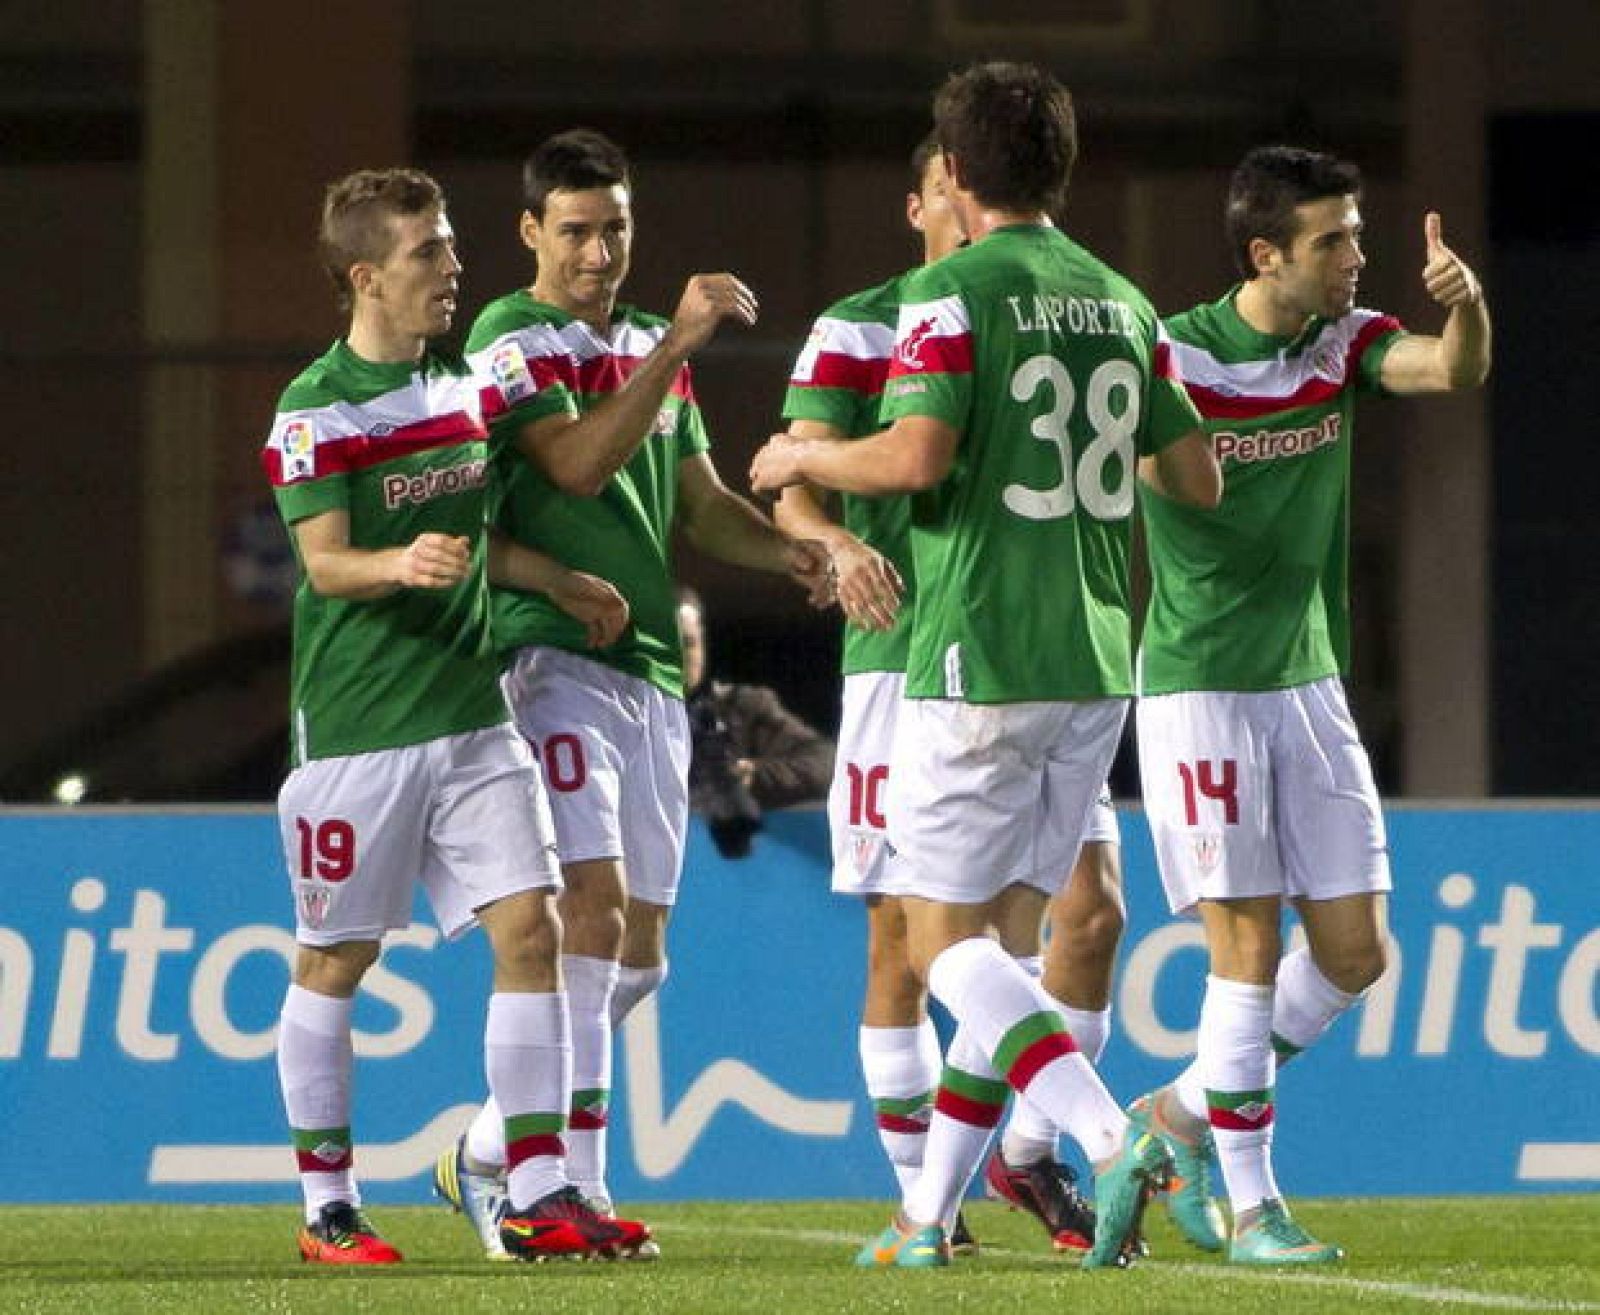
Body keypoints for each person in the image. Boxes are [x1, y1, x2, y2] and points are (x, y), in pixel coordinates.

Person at [751, 61, 1220, 1270]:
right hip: (1096, 653)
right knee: (1005, 946)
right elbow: (1194, 480)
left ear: (952, 173)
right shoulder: (1124, 299)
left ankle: (1109, 1134)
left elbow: (912, 458)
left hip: (977, 654)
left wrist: (796, 457)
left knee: (937, 943)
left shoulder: (953, 295)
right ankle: (924, 1220)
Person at [435, 129, 830, 1259]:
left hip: (650, 671)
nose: (599, 251)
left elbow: (697, 506)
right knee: (587, 914)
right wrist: (677, 347)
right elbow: (572, 465)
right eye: (574, 230)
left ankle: (494, 1144)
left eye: (613, 227)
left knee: (640, 956)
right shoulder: (511, 335)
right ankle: (563, 1187)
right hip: (547, 657)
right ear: (529, 234)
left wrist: (788, 553)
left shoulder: (657, 345)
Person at [261, 167, 648, 1265]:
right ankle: (328, 1205)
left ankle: (532, 1188)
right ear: (364, 275)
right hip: (358, 733)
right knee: (334, 961)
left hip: (475, 716)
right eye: (430, 252)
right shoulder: (313, 408)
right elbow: (328, 566)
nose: (454, 267)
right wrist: (403, 561)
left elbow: (472, 542)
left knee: (535, 928)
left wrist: (553, 578)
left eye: (451, 247)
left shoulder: (461, 389)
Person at [1129, 145, 1492, 1265]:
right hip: (1202, 683)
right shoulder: (1173, 355)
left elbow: (1450, 374)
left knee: (1355, 950)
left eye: (1355, 235)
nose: (1355, 256)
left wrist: (1468, 309)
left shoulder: (1343, 342)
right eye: (1331, 240)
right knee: (1246, 942)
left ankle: (1178, 1113)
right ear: (1264, 253)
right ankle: (1253, 1209)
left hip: (1308, 680)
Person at [773, 135, 1124, 1256]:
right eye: (938, 192)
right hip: (902, 663)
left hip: (1022, 655)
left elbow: (818, 459)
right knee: (904, 939)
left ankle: (1022, 1157)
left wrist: (801, 469)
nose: (958, 209)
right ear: (918, 199)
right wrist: (830, 541)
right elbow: (791, 482)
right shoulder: (862, 324)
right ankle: (931, 1204)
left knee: (1082, 916)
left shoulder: (1032, 305)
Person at [677, 585, 835, 858]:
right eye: (668, 647)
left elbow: (825, 760)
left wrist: (754, 776)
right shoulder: (618, 716)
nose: (679, 659)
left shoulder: (740, 708)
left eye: (688, 644)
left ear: (702, 643)